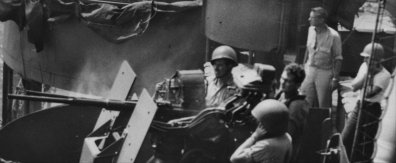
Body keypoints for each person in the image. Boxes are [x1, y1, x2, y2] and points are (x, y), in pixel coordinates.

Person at [342, 42, 391, 158]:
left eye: (368, 58)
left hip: (372, 110)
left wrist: (370, 75)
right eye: (364, 58)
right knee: (346, 139)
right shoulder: (364, 67)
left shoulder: (385, 75)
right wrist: (367, 74)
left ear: (377, 60)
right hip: (359, 107)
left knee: (365, 147)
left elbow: (369, 94)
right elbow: (354, 87)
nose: (365, 61)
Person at [301, 6, 343, 108]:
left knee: (323, 104)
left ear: (322, 19)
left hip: (324, 73)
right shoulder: (310, 30)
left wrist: (335, 79)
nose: (309, 19)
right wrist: (303, 66)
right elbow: (308, 49)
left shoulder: (334, 36)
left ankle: (322, 123)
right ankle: (306, 123)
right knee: (305, 100)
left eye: (312, 17)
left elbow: (338, 58)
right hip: (309, 69)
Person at [276, 63, 309, 161]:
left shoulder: (296, 106)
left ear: (298, 85)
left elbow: (288, 136)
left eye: (287, 81)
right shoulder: (283, 94)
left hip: (286, 153)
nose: (282, 82)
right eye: (282, 78)